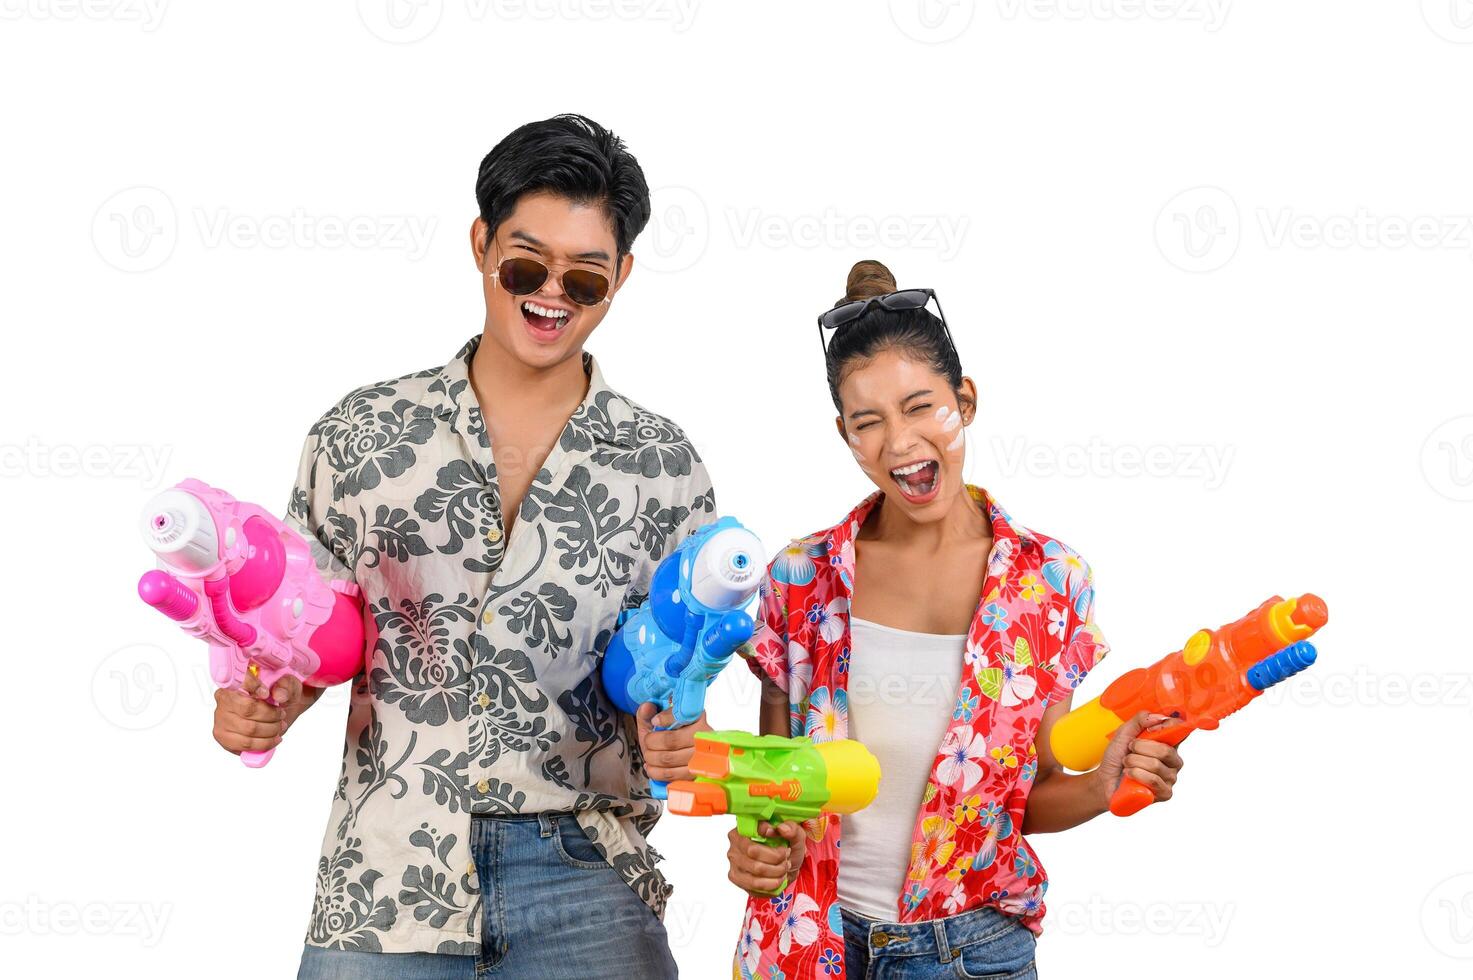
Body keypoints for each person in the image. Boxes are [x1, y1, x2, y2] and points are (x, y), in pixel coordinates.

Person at [210, 114, 713, 979]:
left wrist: (679, 732)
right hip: (386, 873)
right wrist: (265, 703)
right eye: (524, 264)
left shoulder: (664, 468)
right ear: (481, 242)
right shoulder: (360, 436)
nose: (550, 293)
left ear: (620, 277)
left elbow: (676, 669)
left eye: (583, 278)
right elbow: (310, 638)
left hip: (585, 877)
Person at [726, 260, 1186, 979]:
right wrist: (758, 842)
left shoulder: (1050, 583)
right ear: (844, 433)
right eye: (866, 422)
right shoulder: (799, 577)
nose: (898, 441)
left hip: (969, 953)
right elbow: (773, 781)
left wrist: (1102, 786)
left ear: (963, 401)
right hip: (805, 942)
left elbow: (1024, 800)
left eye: (919, 407)